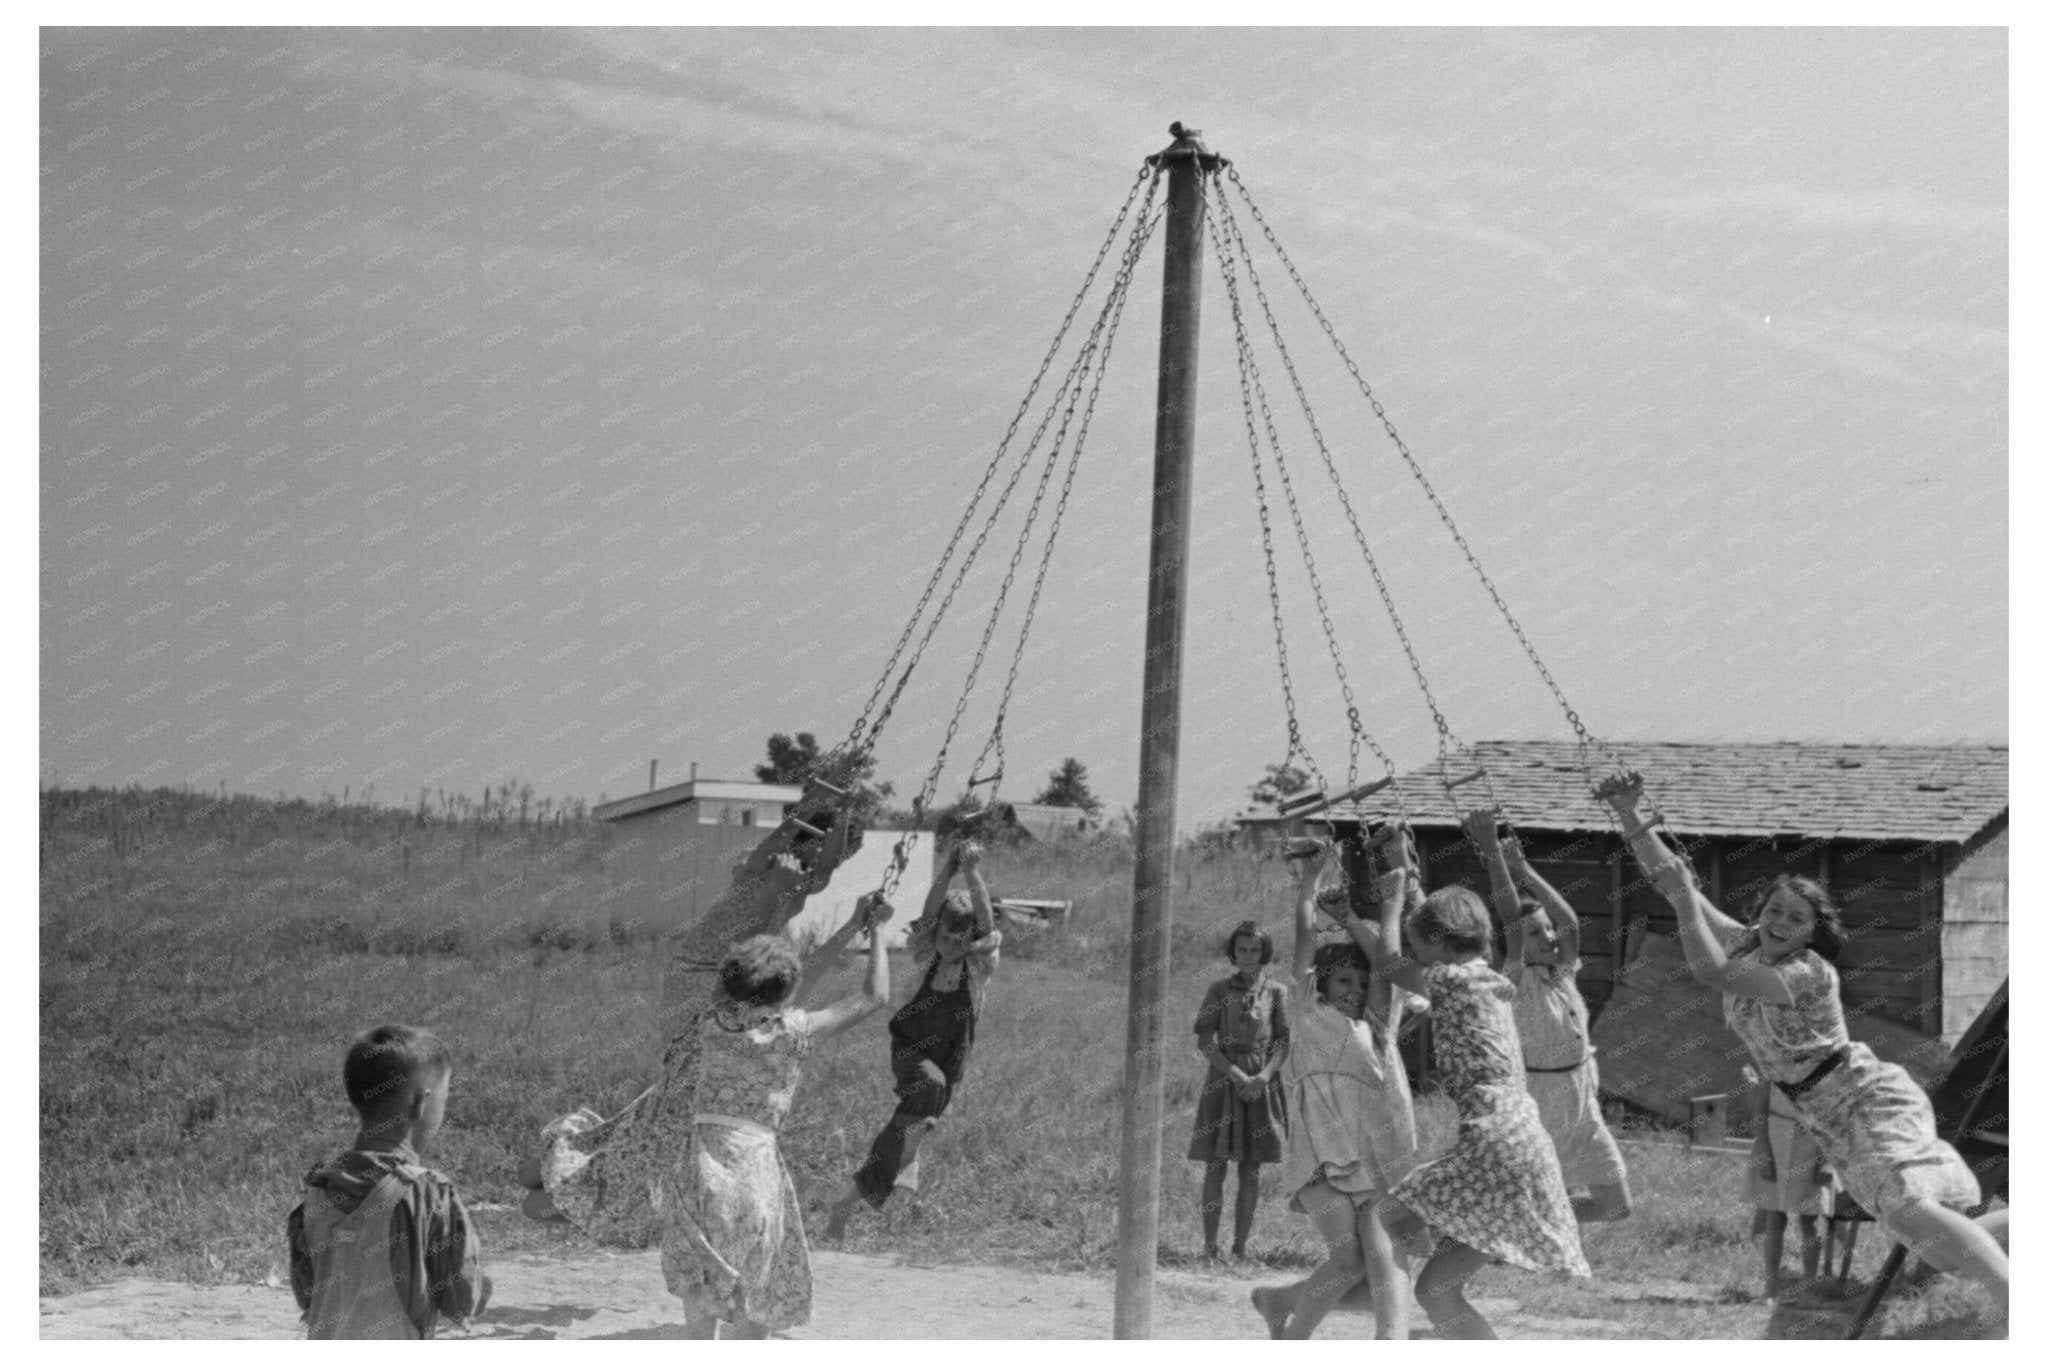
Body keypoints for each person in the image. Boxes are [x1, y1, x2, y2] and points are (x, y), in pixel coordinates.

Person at [1596, 771, 2007, 1323]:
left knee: (1912, 1210)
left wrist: (1681, 901)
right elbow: (1674, 879)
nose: (1780, 922)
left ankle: (2019, 1300)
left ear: (1813, 931)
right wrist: (1628, 812)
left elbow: (1713, 972)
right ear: (1758, 915)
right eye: (1773, 911)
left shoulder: (1809, 972)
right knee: (1923, 1234)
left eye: (1796, 918)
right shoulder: (1751, 944)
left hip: (1863, 1097)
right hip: (1821, 1112)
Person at [528, 788, 861, 1241]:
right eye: (827, 851)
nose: (830, 865)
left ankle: (609, 1190)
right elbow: (745, 958)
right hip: (705, 977)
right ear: (801, 840)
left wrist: (843, 817)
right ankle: (602, 1191)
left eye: (841, 857)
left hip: (725, 986)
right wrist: (807, 820)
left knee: (682, 1098)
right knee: (687, 1091)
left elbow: (820, 870)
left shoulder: (802, 884)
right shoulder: (763, 869)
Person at [1346, 828, 1590, 1340]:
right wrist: (1412, 873)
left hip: (1496, 1140)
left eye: (1421, 945)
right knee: (1436, 1290)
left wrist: (1391, 903)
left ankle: (1387, 1342)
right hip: (1526, 1141)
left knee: (1379, 1218)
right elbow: (1504, 922)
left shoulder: (1451, 980)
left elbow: (1390, 963)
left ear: (1437, 946)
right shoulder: (1497, 978)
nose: (1416, 956)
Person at [661, 898, 895, 1338]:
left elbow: (782, 991)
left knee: (698, 1317)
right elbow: (873, 997)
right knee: (757, 1306)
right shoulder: (792, 1032)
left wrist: (848, 926)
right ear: (786, 992)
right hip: (753, 1171)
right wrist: (875, 930)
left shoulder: (711, 1022)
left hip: (696, 1170)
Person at [1249, 839, 1418, 1340]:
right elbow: (1304, 941)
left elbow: (1386, 965)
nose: (1355, 991)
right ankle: (1293, 1336)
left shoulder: (1378, 1027)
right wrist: (1310, 883)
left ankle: (1279, 1305)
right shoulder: (1307, 1013)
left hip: (1369, 1159)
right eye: (1345, 981)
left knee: (1375, 1270)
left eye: (1361, 985)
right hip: (1318, 1159)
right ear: (1324, 985)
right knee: (1346, 1260)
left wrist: (1355, 920)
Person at [822, 839, 1002, 1240]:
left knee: (909, 1128)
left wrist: (972, 872)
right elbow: (926, 916)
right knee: (927, 1093)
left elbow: (987, 927)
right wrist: (948, 870)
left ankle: (850, 1202)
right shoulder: (925, 955)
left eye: (961, 940)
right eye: (946, 937)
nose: (952, 946)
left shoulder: (978, 966)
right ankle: (901, 1164)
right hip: (911, 1049)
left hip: (953, 1059)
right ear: (935, 934)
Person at [1464, 809, 1632, 1225]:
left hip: (1581, 1101)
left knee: (1617, 1206)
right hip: (1542, 1100)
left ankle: (1522, 1223)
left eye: (1546, 929)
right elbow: (1509, 920)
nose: (1550, 937)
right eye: (1536, 933)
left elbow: (1570, 924)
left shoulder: (1559, 973)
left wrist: (1524, 869)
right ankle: (1517, 1226)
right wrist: (1492, 855)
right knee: (1538, 1184)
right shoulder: (1513, 980)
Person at [287, 1024, 488, 1339]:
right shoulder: (429, 1192)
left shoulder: (318, 1189)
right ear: (421, 1103)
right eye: (444, 1097)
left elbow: (307, 1295)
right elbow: (462, 1300)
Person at [1187, 918, 1291, 1262]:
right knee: (1216, 1163)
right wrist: (1234, 1073)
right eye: (1242, 949)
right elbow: (1205, 1040)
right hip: (1224, 1082)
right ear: (1233, 952)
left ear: (1265, 953)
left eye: (1255, 950)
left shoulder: (1276, 992)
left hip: (1260, 1084)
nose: (1248, 955)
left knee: (1251, 1166)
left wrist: (1262, 1077)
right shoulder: (1219, 990)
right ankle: (1209, 1247)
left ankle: (1240, 1248)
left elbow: (1283, 1042)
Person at [1741, 1067, 1832, 1301]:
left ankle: (1809, 1286)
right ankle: (1771, 1285)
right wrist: (1763, 1149)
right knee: (1774, 1217)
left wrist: (1827, 1162)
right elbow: (1760, 1114)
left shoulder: (1825, 1073)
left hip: (1813, 1148)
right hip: (1776, 1145)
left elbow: (1834, 1120)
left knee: (1809, 1219)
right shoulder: (1772, 1070)